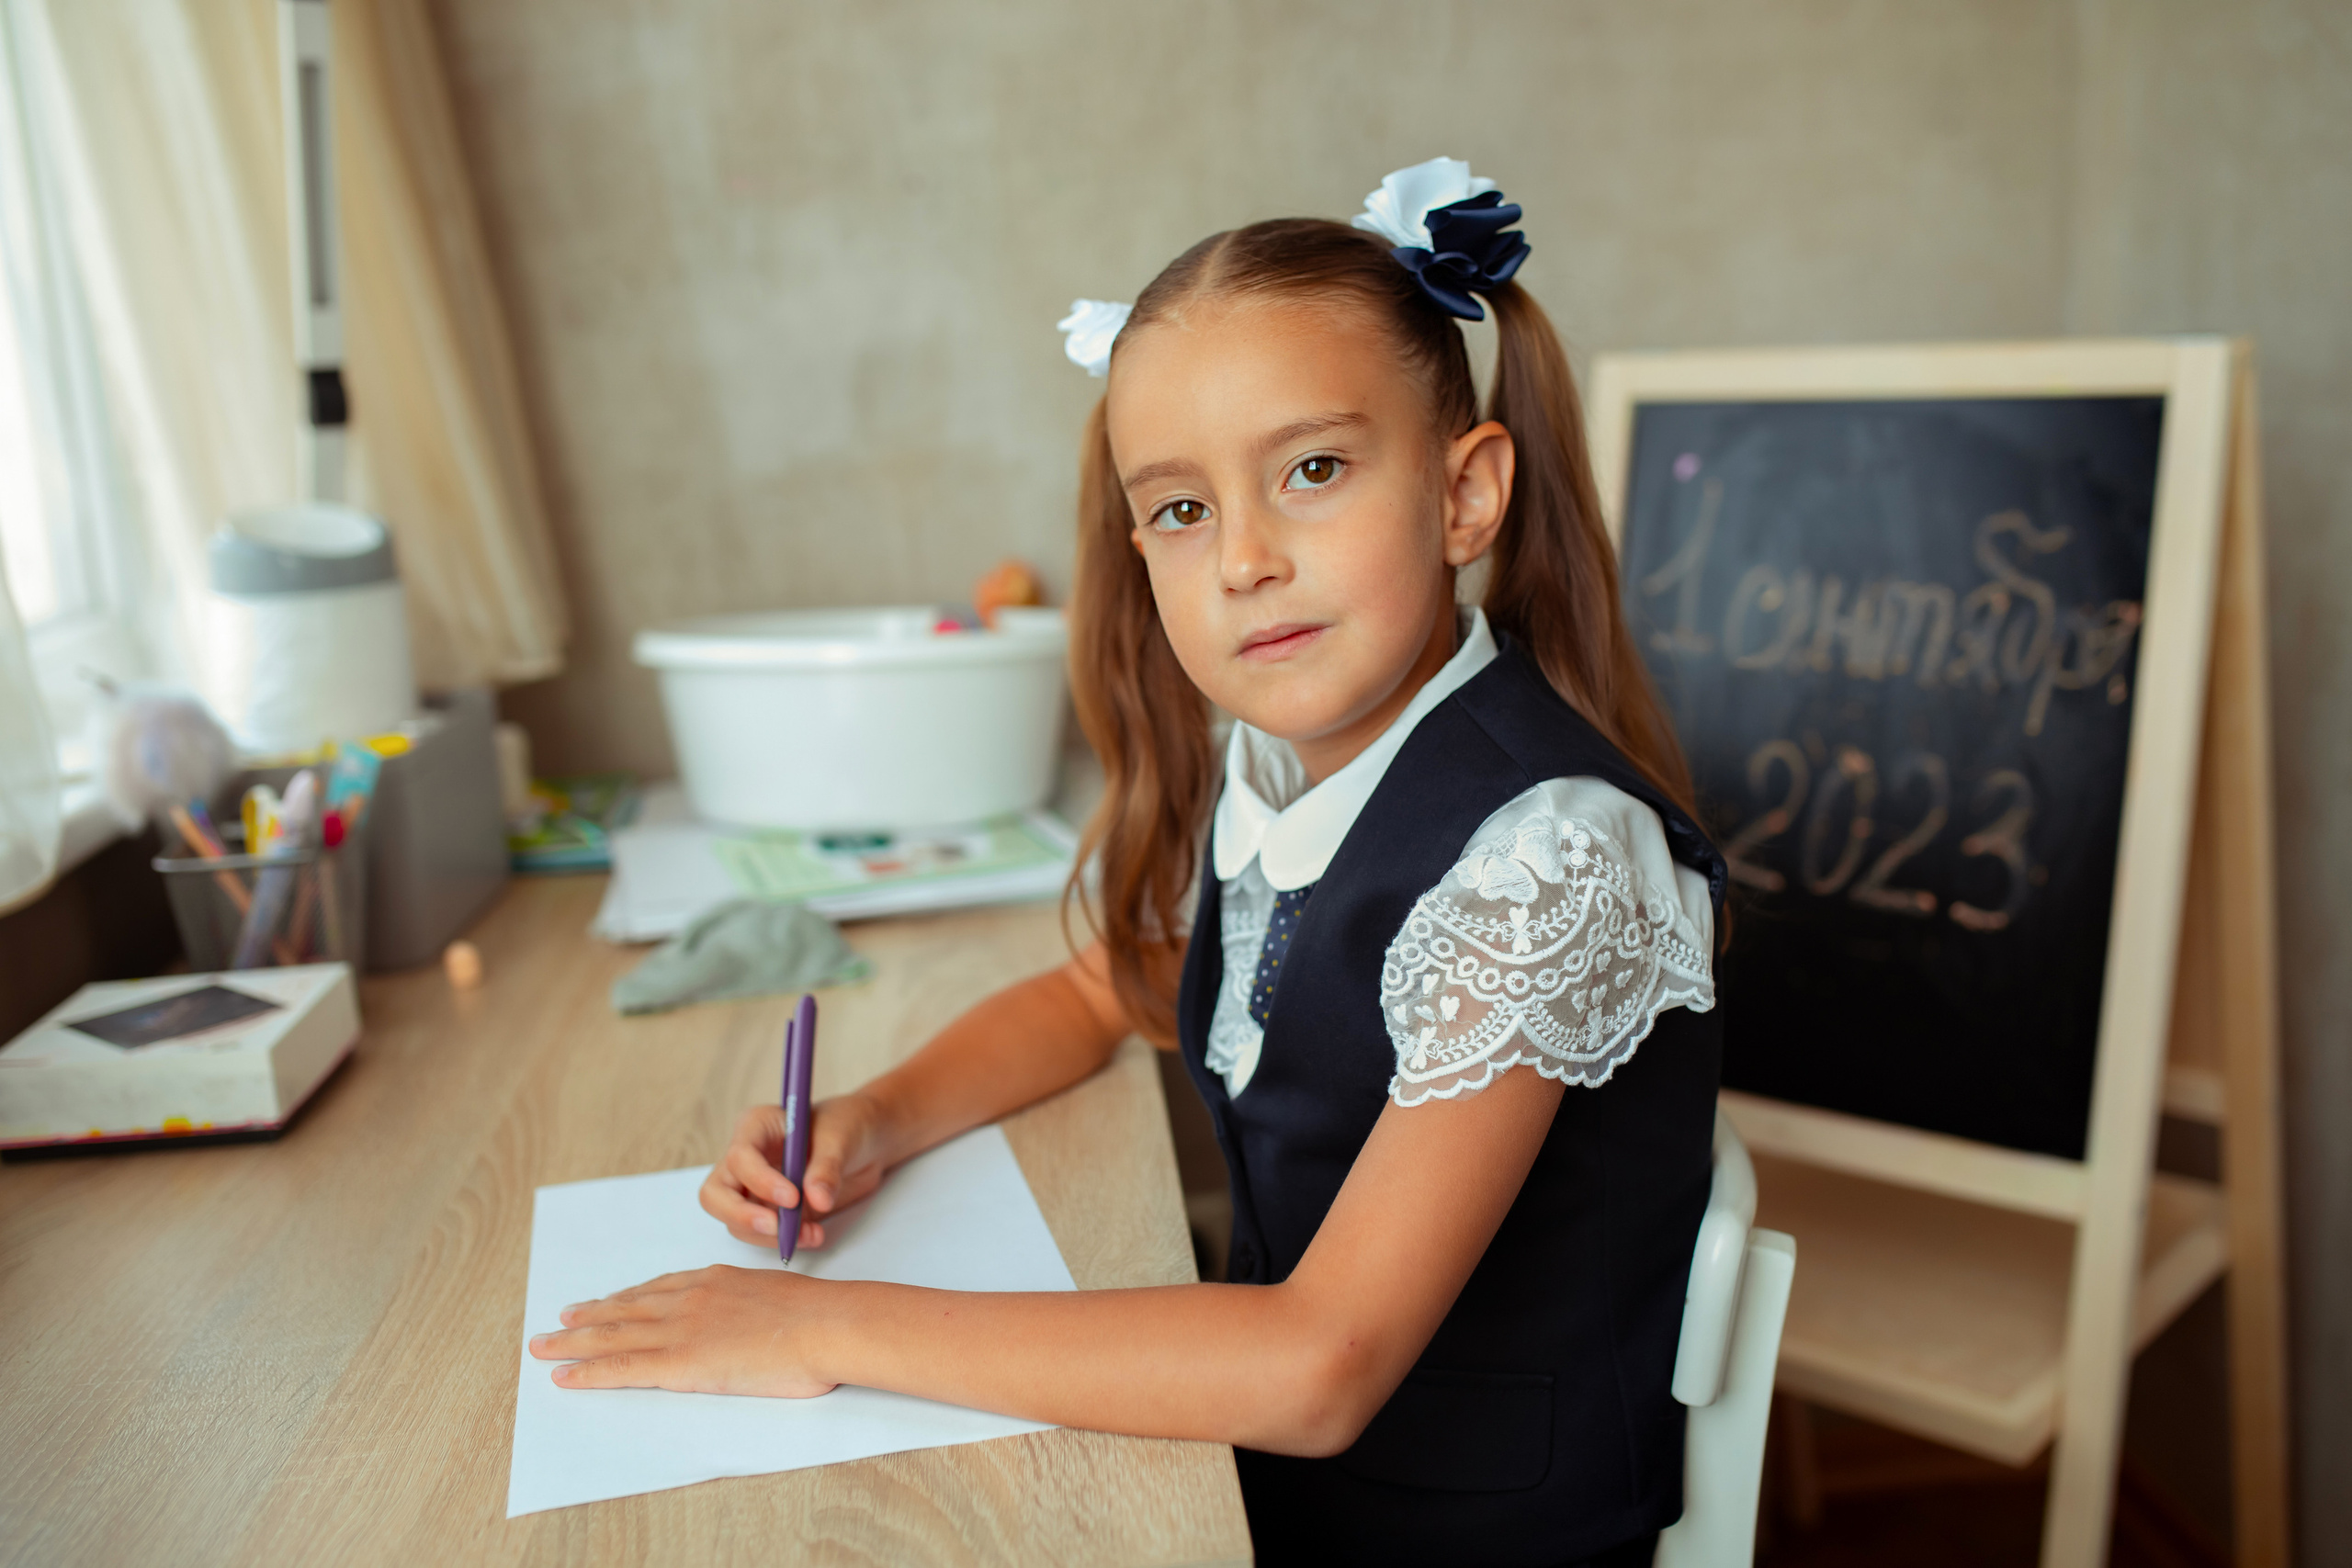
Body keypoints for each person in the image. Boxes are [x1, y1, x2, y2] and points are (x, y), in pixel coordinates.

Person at [530, 157, 1726, 1567]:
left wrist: (824, 1326)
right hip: (1277, 1484)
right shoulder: (1287, 764)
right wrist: (875, 1120)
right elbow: (1110, 991)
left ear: (1467, 496)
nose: (1243, 563)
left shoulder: (1553, 858)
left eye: (1315, 471)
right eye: (1181, 509)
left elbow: (1318, 1366)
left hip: (1459, 1529)